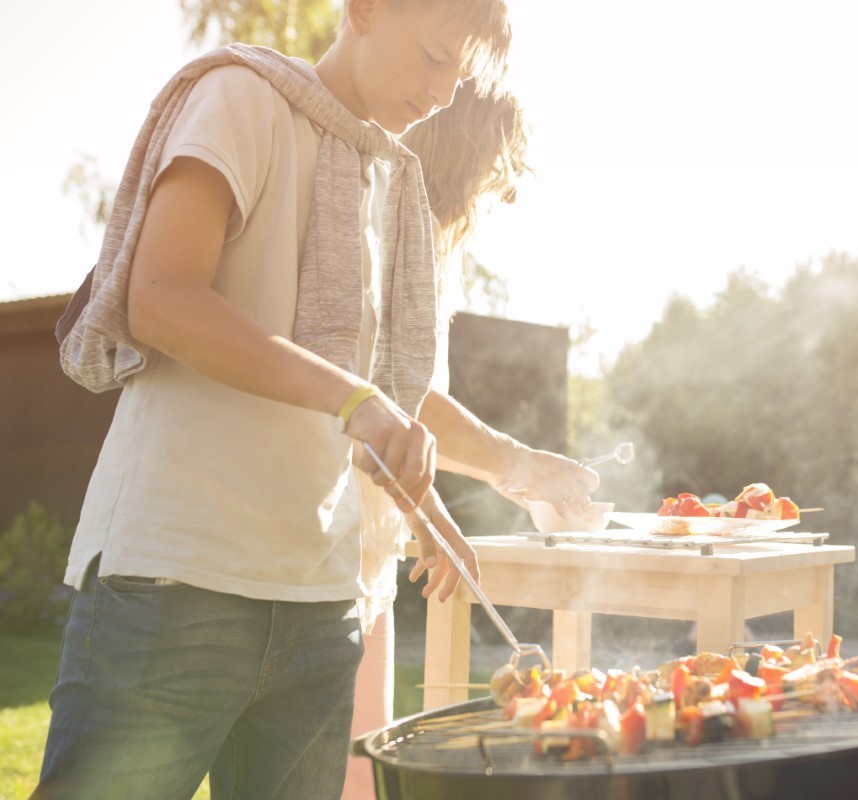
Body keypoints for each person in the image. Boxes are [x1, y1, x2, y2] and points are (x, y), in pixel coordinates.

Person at [33, 2, 535, 798]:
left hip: (318, 603)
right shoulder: (243, 98)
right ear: (365, 10)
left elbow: (356, 394)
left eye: (460, 75)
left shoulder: (390, 181)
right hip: (179, 579)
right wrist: (359, 399)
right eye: (435, 57)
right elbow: (160, 297)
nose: (444, 95)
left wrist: (426, 509)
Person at [339, 83, 599, 800]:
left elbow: (406, 416)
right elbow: (392, 391)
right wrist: (517, 461)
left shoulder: (426, 247)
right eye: (498, 170)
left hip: (369, 548)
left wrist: (502, 480)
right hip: (322, 552)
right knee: (349, 780)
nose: (505, 196)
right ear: (461, 158)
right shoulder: (385, 227)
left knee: (364, 782)